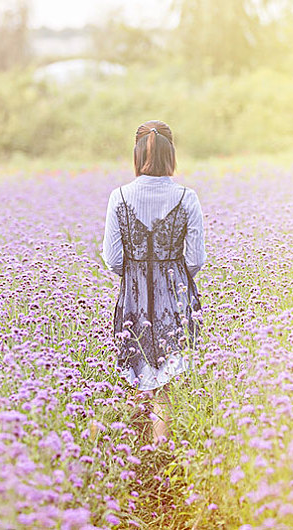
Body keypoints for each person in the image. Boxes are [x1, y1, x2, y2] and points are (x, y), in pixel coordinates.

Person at [102, 120, 206, 444]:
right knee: (166, 387)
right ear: (170, 154)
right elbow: (196, 259)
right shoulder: (187, 198)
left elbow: (112, 259)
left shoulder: (119, 197)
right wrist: (170, 274)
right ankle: (160, 457)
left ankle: (124, 451)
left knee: (136, 380)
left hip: (133, 301)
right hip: (174, 300)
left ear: (137, 154)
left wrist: (137, 274)